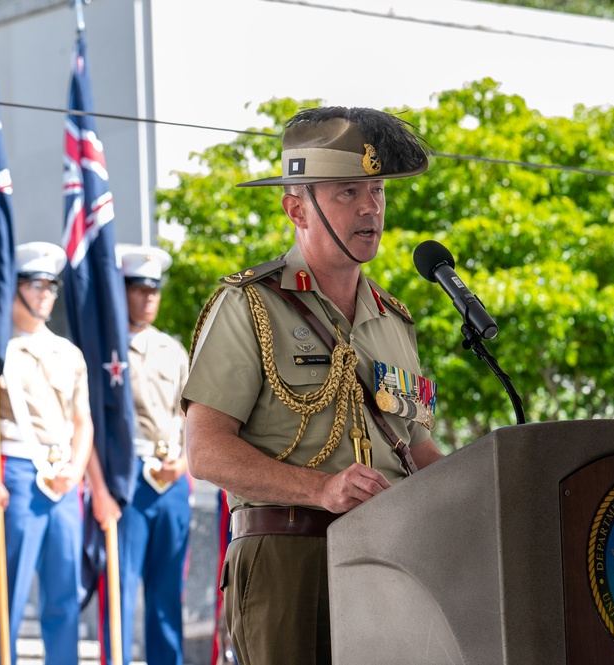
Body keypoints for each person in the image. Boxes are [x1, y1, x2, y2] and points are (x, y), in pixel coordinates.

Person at [183, 106, 446, 665]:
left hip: (392, 559)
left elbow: (419, 450)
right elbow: (205, 451)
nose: (370, 207)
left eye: (376, 191)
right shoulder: (249, 305)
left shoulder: (394, 323)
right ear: (295, 207)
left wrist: (480, 493)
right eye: (347, 192)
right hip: (289, 558)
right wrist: (319, 490)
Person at [0, 241, 93, 665]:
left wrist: (75, 469)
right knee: (8, 594)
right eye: (35, 285)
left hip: (63, 478)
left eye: (51, 286)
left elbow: (82, 422)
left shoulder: (69, 352)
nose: (46, 294)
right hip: (15, 470)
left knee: (63, 596)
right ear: (13, 290)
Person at [88, 244, 191, 665]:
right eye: (138, 289)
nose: (148, 297)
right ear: (121, 291)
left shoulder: (174, 350)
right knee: (120, 588)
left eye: (154, 290)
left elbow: (193, 418)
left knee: (168, 593)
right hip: (126, 475)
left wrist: (185, 462)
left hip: (173, 477)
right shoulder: (102, 352)